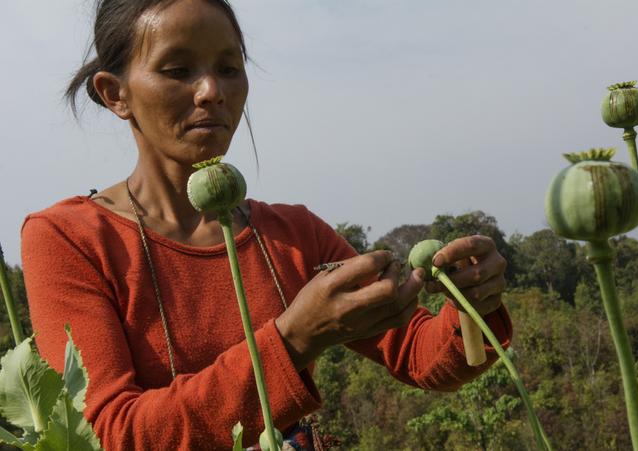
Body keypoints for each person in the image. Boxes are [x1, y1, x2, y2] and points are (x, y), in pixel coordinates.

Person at [20, 0, 513, 449]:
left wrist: (473, 302)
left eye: (229, 68)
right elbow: (107, 435)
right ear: (115, 94)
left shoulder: (292, 234)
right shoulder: (70, 238)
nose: (212, 91)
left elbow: (422, 356)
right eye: (177, 70)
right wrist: (294, 340)